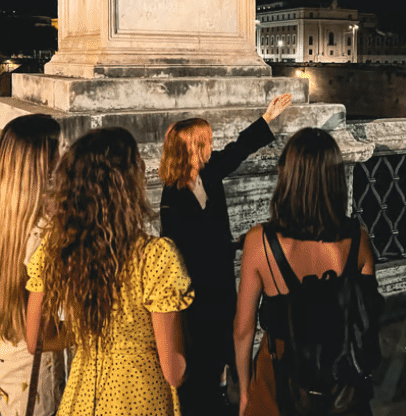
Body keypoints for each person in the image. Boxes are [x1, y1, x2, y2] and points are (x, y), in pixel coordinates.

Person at [26, 127, 194, 416]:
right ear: (128, 185)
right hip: (140, 399)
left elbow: (36, 340)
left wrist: (86, 331)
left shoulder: (57, 250)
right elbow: (174, 372)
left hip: (82, 398)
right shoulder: (154, 257)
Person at [159, 94, 292, 414]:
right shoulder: (172, 195)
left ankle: (230, 393)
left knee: (228, 343)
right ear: (193, 148)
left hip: (219, 282)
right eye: (207, 141)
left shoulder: (209, 173)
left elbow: (238, 150)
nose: (213, 145)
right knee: (205, 351)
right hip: (195, 290)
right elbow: (178, 250)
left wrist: (267, 117)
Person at [234, 127, 378, 416]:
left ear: (287, 176)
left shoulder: (259, 241)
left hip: (279, 371)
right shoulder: (358, 238)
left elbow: (243, 328)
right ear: (335, 180)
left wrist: (245, 390)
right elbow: (367, 314)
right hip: (339, 374)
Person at [0, 114, 64, 416]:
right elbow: (46, 331)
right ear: (44, 163)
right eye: (58, 150)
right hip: (37, 373)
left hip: (3, 360)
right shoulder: (45, 235)